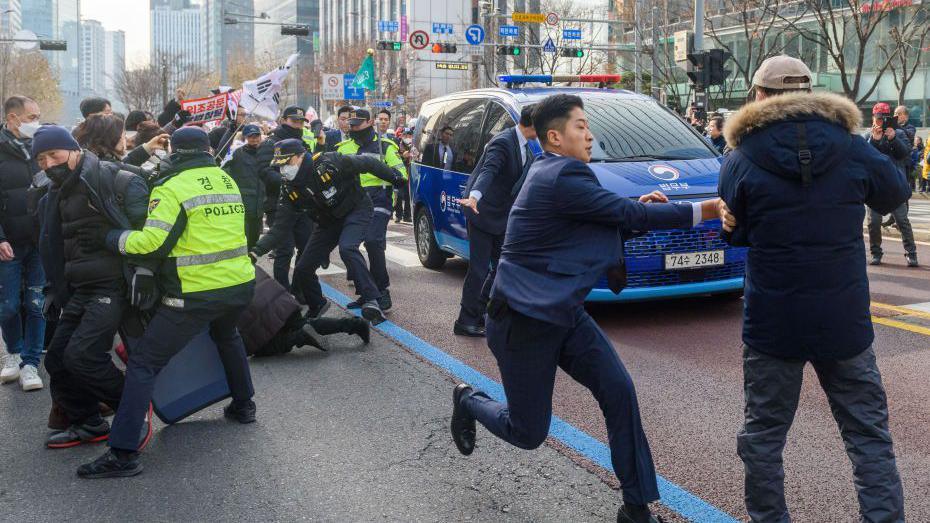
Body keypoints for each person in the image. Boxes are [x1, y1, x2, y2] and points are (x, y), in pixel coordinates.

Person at [448, 94, 724, 523]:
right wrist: (707, 208)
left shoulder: (560, 172)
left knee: (619, 391)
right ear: (555, 137)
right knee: (528, 432)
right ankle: (468, 400)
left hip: (564, 313)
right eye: (580, 126)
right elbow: (625, 214)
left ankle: (636, 507)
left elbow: (601, 223)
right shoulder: (560, 175)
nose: (590, 134)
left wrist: (634, 213)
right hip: (523, 320)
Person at [717, 55, 909, 523]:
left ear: (758, 95)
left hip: (772, 320)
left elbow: (737, 234)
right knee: (868, 435)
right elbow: (894, 193)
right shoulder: (851, 146)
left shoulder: (740, 157)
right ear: (809, 92)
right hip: (844, 318)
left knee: (763, 435)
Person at [75, 127, 257, 478]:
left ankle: (123, 453)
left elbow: (152, 242)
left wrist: (110, 238)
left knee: (144, 363)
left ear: (174, 151)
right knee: (228, 337)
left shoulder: (172, 188)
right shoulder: (225, 179)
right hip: (239, 284)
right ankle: (244, 405)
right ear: (206, 149)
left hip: (195, 292)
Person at [32, 125, 151, 448]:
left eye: (53, 155)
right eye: (40, 159)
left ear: (72, 149)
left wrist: (143, 273)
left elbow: (147, 233)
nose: (48, 164)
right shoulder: (57, 189)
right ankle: (89, 422)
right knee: (57, 358)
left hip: (111, 286)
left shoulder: (103, 177)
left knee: (83, 356)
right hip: (79, 287)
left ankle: (133, 411)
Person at [251, 139, 406, 324]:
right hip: (328, 222)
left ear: (300, 156)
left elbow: (368, 162)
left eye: (287, 163)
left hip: (356, 209)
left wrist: (396, 179)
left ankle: (372, 300)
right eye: (280, 165)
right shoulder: (289, 189)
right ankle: (317, 304)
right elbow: (279, 229)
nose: (283, 169)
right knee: (303, 267)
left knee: (347, 248)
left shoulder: (328, 162)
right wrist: (254, 252)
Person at [454, 106, 536, 337]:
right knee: (479, 270)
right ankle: (465, 320)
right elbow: (488, 171)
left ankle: (479, 311)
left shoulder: (526, 148)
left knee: (503, 267)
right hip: (481, 212)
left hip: (501, 216)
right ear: (534, 124)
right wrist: (474, 197)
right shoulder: (503, 141)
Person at [337, 108, 407, 312]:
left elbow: (401, 176)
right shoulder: (342, 148)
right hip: (353, 204)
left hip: (379, 201)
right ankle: (366, 293)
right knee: (347, 247)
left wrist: (373, 166)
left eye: (358, 124)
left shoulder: (385, 146)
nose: (353, 128)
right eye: (351, 125)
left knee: (373, 240)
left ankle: (383, 291)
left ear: (370, 122)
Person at [0, 95, 45, 391]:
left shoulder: (40, 149)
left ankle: (31, 363)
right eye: (31, 118)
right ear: (13, 119)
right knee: (8, 306)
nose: (36, 123)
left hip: (40, 243)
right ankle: (13, 354)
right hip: (9, 245)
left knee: (37, 304)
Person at [239, 266, 369, 357]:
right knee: (300, 322)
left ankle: (299, 337)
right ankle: (353, 324)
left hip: (256, 311)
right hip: (275, 296)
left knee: (263, 349)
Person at [256, 106, 313, 290]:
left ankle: (300, 289)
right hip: (279, 204)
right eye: (294, 121)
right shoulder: (270, 143)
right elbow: (264, 170)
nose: (297, 125)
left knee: (306, 251)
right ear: (283, 120)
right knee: (284, 251)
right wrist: (287, 182)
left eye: (300, 122)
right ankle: (283, 292)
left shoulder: (302, 143)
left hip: (304, 205)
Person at [866, 102, 918, 267]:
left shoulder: (899, 133)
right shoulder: (868, 135)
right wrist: (874, 140)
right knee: (873, 222)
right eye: (878, 118)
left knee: (902, 221)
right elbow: (864, 158)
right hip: (876, 188)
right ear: (874, 118)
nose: (881, 122)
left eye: (884, 118)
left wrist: (893, 138)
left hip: (895, 185)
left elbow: (905, 154)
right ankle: (876, 253)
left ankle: (911, 253)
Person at [223, 124, 265, 248]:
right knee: (242, 238)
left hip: (260, 203)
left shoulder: (265, 153)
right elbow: (224, 169)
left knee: (255, 238)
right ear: (246, 137)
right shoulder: (236, 153)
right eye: (251, 136)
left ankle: (251, 260)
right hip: (243, 203)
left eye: (256, 136)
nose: (254, 139)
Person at [394, 127, 414, 223]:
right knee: (399, 195)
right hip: (400, 174)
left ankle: (407, 216)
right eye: (406, 135)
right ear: (402, 136)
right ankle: (398, 215)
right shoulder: (397, 145)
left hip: (410, 174)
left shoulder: (413, 146)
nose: (408, 137)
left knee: (408, 195)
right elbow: (394, 158)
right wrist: (403, 156)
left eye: (410, 135)